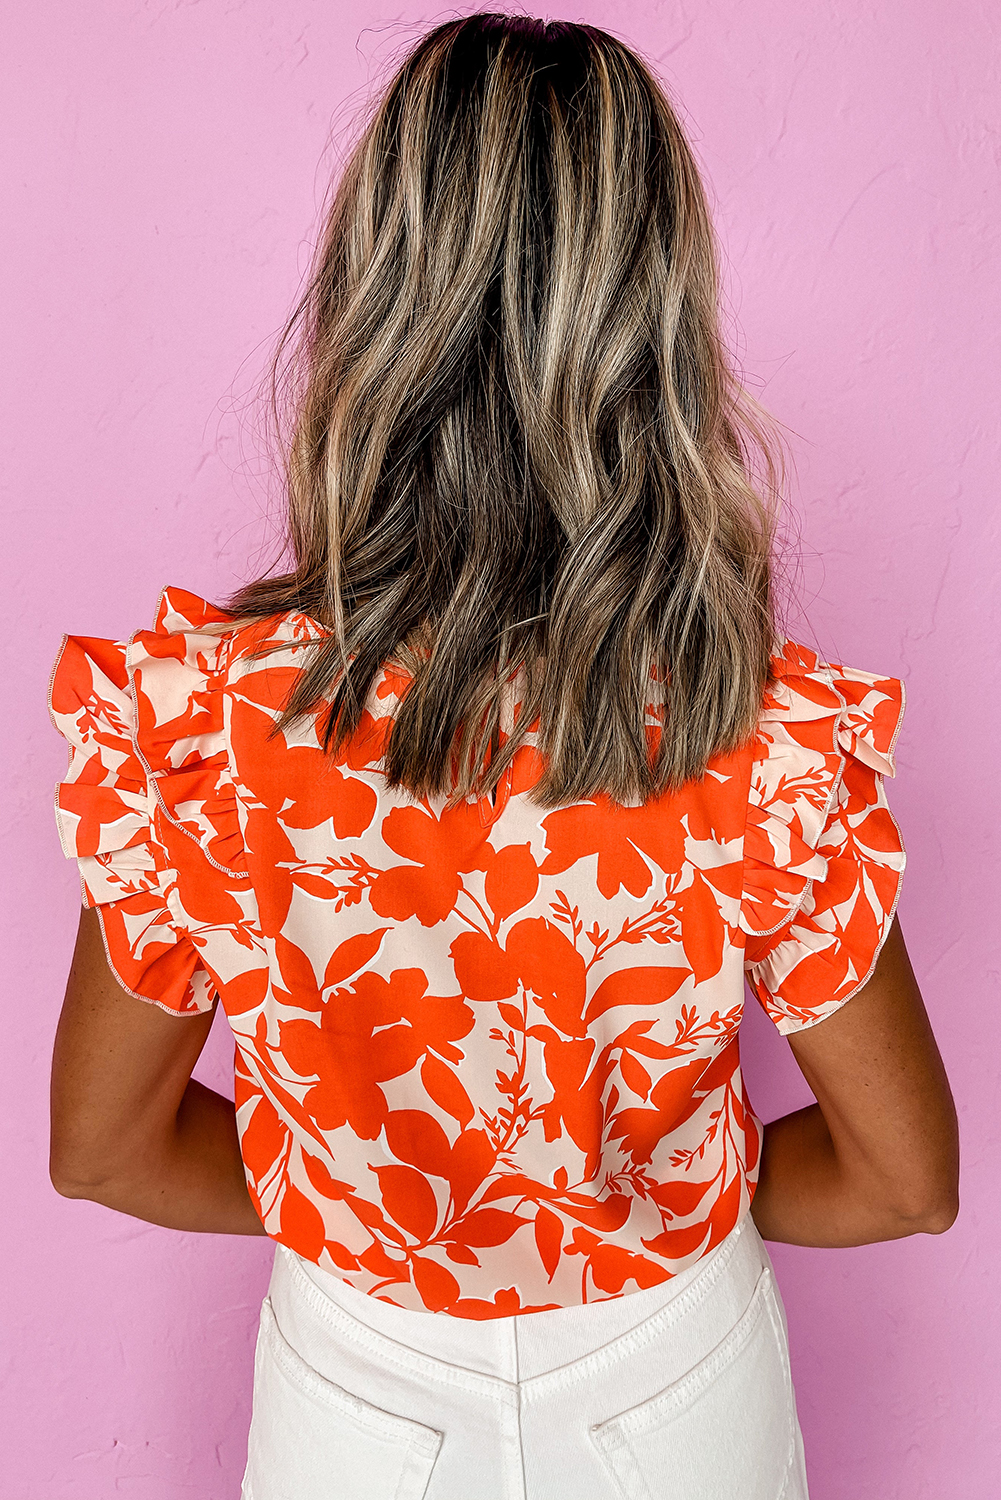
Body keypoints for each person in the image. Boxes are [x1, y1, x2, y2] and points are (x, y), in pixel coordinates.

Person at [47, 14, 959, 1500]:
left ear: (368, 298)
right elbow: (904, 1182)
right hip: (678, 1388)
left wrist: (376, 1210)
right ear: (658, 323)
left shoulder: (202, 729)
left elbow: (102, 1153)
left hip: (352, 1396)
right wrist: (637, 1209)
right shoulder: (759, 740)